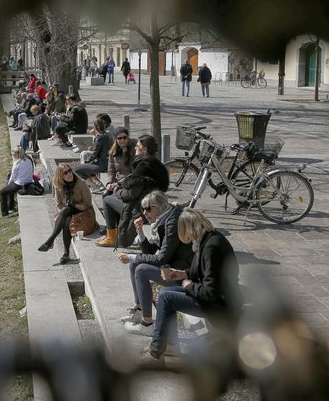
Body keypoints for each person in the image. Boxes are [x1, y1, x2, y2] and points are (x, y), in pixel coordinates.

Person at [139, 208, 243, 365]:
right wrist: (183, 274)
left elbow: (210, 292)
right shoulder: (208, 238)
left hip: (220, 304)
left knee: (166, 297)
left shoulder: (211, 247)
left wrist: (188, 286)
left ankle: (155, 354)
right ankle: (168, 346)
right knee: (165, 295)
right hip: (216, 297)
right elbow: (204, 272)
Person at [117, 191, 194, 335]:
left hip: (184, 274)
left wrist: (132, 256)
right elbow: (153, 252)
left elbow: (161, 258)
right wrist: (140, 232)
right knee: (136, 265)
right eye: (143, 209)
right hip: (175, 266)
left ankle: (147, 324)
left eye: (148, 208)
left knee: (140, 269)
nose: (145, 213)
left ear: (160, 206)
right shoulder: (165, 218)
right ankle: (139, 310)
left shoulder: (172, 223)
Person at [95, 134, 169, 248]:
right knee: (112, 195)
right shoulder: (154, 163)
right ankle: (116, 233)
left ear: (144, 149)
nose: (135, 148)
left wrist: (117, 191)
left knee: (107, 199)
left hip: (140, 208)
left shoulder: (143, 166)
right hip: (151, 204)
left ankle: (112, 236)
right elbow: (131, 178)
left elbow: (130, 194)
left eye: (138, 146)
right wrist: (117, 184)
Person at [37, 164, 95, 264]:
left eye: (70, 171)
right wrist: (69, 206)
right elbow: (59, 204)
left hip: (84, 213)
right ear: (61, 176)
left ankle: (51, 241)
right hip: (68, 210)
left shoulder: (80, 183)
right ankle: (66, 253)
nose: (69, 174)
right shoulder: (58, 185)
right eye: (65, 173)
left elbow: (87, 204)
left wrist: (74, 205)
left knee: (66, 211)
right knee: (67, 219)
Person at [73, 119, 111, 192]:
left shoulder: (100, 137)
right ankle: (94, 184)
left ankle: (93, 186)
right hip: (104, 162)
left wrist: (86, 162)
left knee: (77, 169)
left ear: (95, 127)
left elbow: (95, 154)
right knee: (84, 162)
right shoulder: (105, 136)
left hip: (101, 164)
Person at [0, 147, 34, 217]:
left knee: (2, 192)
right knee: (10, 188)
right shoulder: (28, 160)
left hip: (20, 184)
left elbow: (12, 177)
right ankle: (11, 207)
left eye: (14, 154)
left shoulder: (17, 163)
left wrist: (8, 185)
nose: (13, 156)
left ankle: (4, 213)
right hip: (29, 181)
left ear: (17, 154)